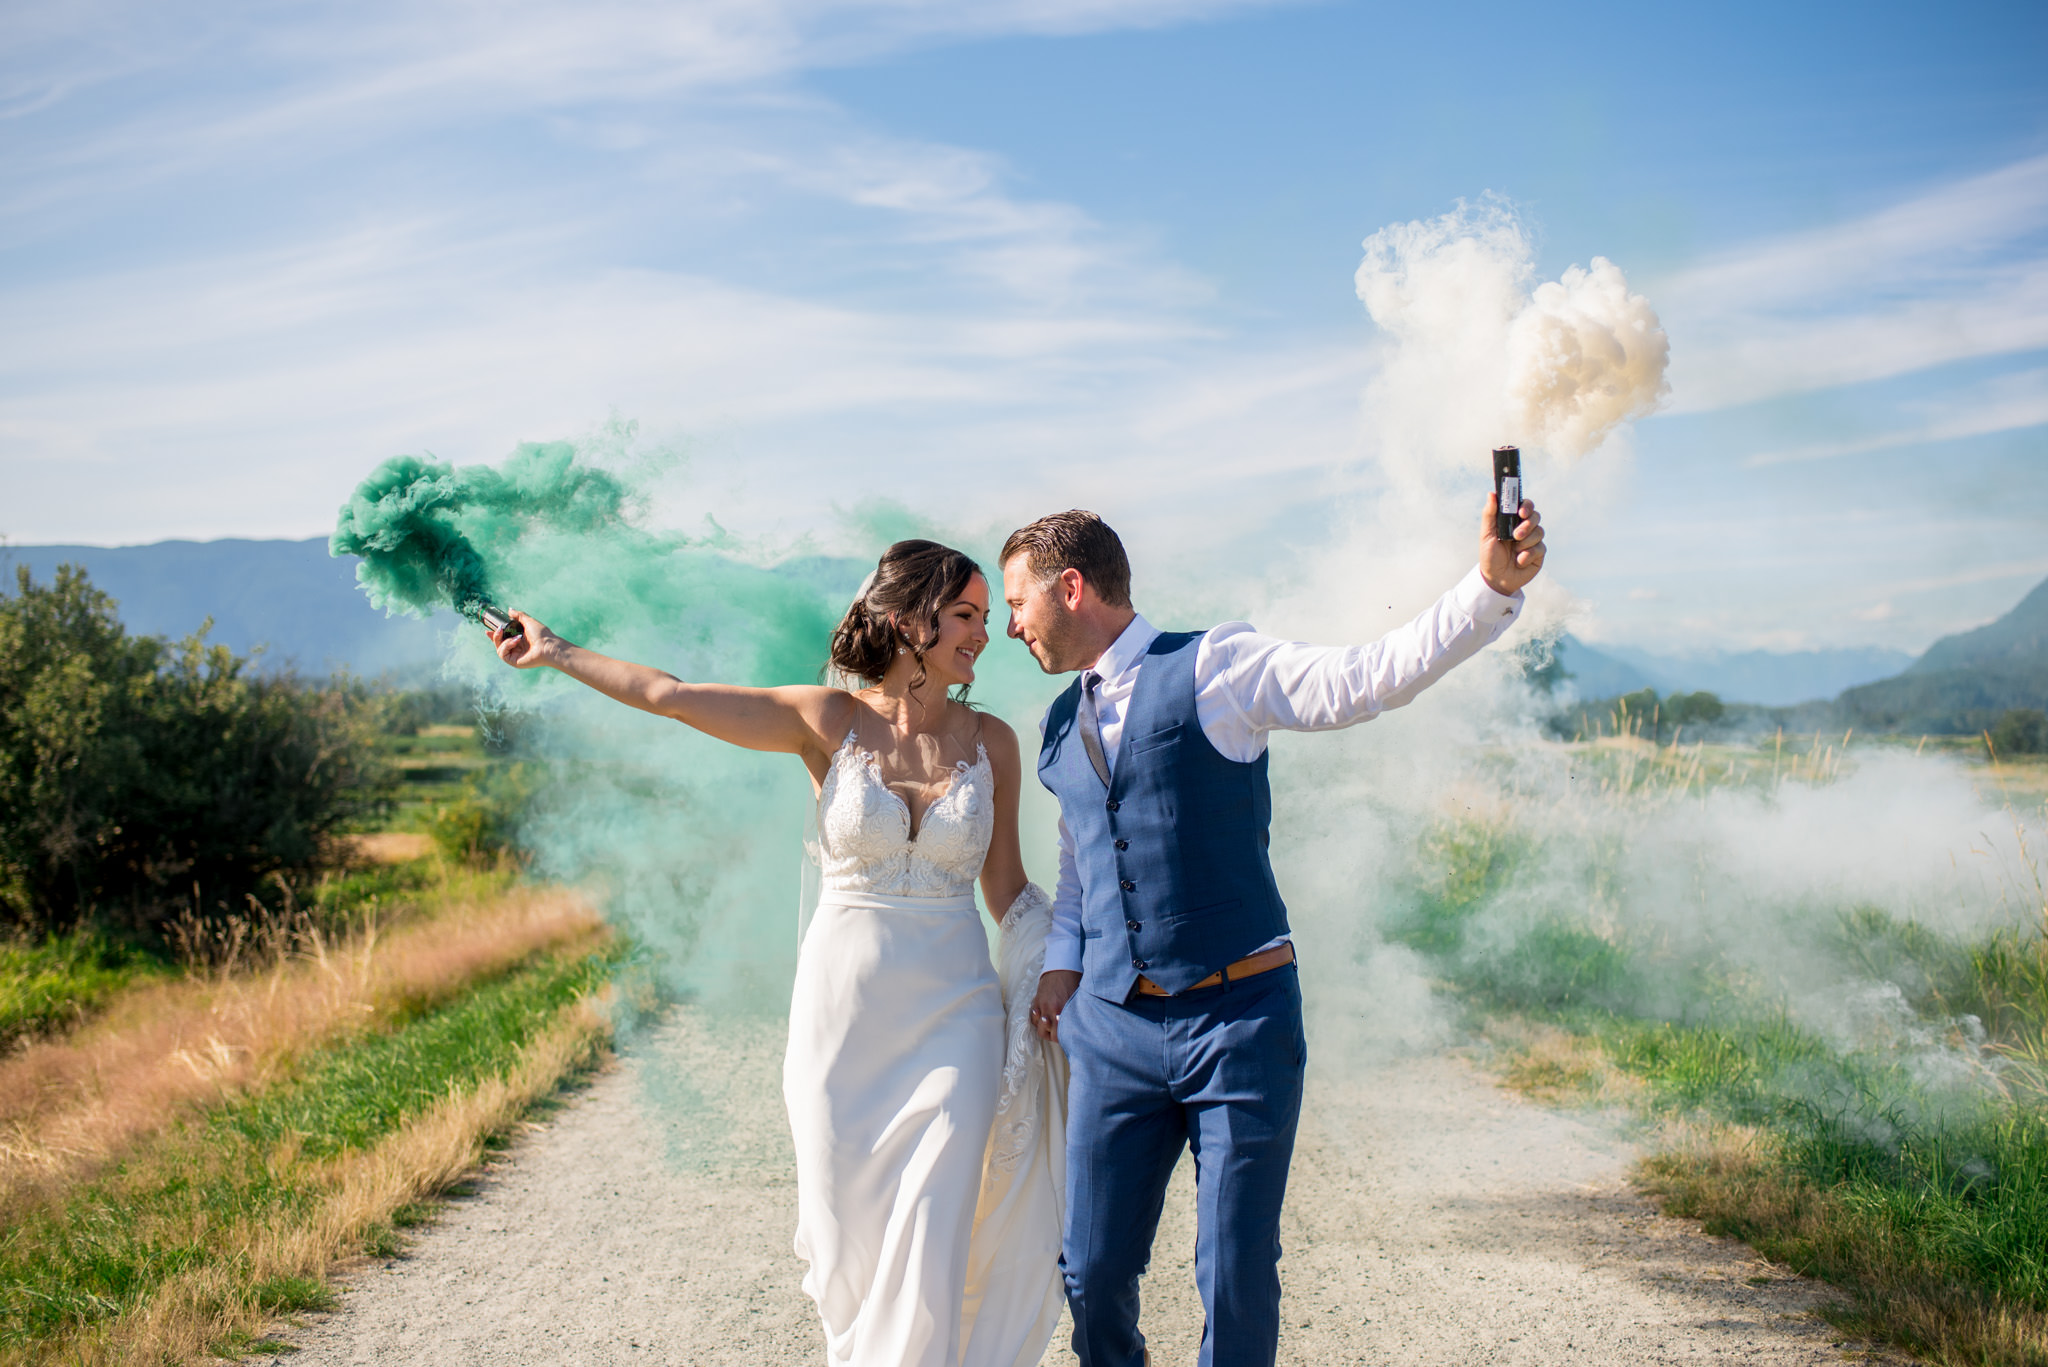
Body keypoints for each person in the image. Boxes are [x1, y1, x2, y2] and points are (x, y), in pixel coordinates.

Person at [489, 540, 1068, 1367]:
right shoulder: (826, 721)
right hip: (844, 1026)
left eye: (985, 614)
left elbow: (1007, 887)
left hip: (957, 1022)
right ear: (910, 620)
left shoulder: (993, 742)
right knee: (849, 1250)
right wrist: (553, 651)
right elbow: (674, 696)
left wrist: (1064, 955)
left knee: (936, 1226)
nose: (986, 633)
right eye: (967, 614)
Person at [1001, 493, 1546, 1367]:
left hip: (1238, 1020)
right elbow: (1080, 870)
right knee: (1092, 1273)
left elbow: (1363, 678)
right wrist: (1063, 964)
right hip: (1113, 1029)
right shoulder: (1058, 725)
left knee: (1234, 1270)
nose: (1009, 626)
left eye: (1017, 603)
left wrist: (1487, 589)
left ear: (1070, 588)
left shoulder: (1217, 665)